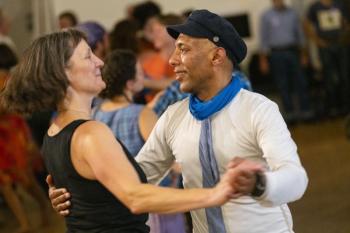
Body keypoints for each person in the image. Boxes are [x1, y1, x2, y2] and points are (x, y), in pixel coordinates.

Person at [48, 10, 308, 233]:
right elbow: (138, 177)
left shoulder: (257, 110)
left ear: (217, 57)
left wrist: (259, 183)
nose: (172, 60)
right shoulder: (175, 116)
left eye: (183, 49)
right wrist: (79, 193)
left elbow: (296, 179)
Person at [0, 29, 262, 233]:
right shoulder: (90, 134)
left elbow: (93, 194)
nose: (100, 61)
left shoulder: (54, 132)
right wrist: (216, 194)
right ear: (62, 73)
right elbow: (135, 197)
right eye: (88, 56)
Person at [0, 43, 50, 233]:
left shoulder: (10, 80)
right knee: (4, 183)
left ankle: (44, 208)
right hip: (2, 136)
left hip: (13, 136)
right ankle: (24, 223)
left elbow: (10, 108)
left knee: (26, 180)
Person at [93, 49, 157, 156]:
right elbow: (163, 156)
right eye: (141, 73)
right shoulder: (142, 113)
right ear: (130, 84)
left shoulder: (94, 113)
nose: (144, 77)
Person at [259, 0, 313, 124]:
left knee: (300, 81)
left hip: (293, 52)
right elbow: (264, 39)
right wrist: (263, 60)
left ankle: (306, 112)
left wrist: (304, 54)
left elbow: (300, 35)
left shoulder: (293, 14)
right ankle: (289, 114)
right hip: (276, 54)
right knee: (283, 84)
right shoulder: (266, 16)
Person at [304, 0, 350, 115]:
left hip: (340, 44)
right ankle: (332, 107)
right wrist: (317, 40)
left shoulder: (339, 4)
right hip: (325, 46)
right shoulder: (315, 7)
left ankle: (345, 106)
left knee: (345, 76)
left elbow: (346, 22)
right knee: (328, 77)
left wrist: (345, 35)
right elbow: (306, 24)